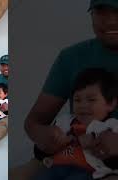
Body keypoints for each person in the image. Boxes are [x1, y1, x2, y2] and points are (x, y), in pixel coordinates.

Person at [10, 0, 118, 179]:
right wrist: (47, 138)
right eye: (101, 11)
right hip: (67, 160)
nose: (111, 20)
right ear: (91, 14)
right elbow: (34, 122)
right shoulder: (72, 57)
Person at [34, 68, 118, 180]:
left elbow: (114, 162)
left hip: (88, 172)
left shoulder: (111, 127)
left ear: (110, 104)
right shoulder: (64, 121)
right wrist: (45, 144)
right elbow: (41, 152)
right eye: (77, 100)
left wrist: (95, 142)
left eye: (91, 100)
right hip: (55, 167)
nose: (82, 105)